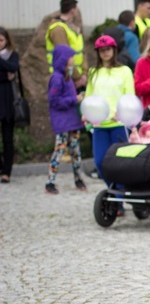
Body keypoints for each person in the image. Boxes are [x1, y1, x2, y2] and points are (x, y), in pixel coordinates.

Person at [85, 35, 135, 189]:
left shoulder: (124, 71)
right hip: (99, 125)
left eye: (108, 50)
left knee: (119, 162)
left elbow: (130, 95)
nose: (105, 53)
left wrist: (121, 111)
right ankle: (113, 191)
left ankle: (119, 196)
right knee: (100, 162)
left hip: (118, 123)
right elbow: (89, 96)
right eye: (101, 50)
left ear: (114, 50)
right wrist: (86, 113)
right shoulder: (94, 72)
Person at [45, 45, 85, 194]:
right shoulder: (56, 78)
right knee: (60, 151)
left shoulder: (66, 76)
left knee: (75, 151)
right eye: (70, 57)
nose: (73, 60)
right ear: (64, 59)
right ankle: (50, 182)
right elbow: (54, 100)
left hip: (72, 120)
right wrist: (74, 99)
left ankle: (78, 178)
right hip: (63, 122)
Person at [45, 0, 87, 89]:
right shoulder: (58, 29)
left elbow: (81, 52)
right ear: (73, 10)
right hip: (65, 77)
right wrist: (77, 77)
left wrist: (84, 74)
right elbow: (64, 55)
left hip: (77, 77)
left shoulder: (71, 28)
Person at [0, 27, 19, 184]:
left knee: (8, 138)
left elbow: (13, 67)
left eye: (0, 40)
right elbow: (8, 72)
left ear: (6, 40)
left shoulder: (13, 55)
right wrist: (5, 74)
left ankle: (6, 171)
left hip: (8, 101)